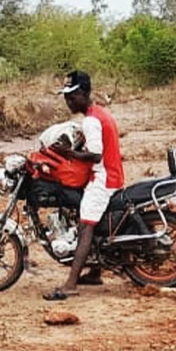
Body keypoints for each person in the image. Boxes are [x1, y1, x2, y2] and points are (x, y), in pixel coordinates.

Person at [44, 70, 124, 301]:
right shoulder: (99, 113)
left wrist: (68, 153)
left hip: (103, 178)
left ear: (83, 93)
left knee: (85, 226)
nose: (68, 101)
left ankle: (70, 284)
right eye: (67, 96)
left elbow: (96, 155)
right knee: (89, 218)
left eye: (72, 96)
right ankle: (95, 271)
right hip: (110, 174)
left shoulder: (91, 120)